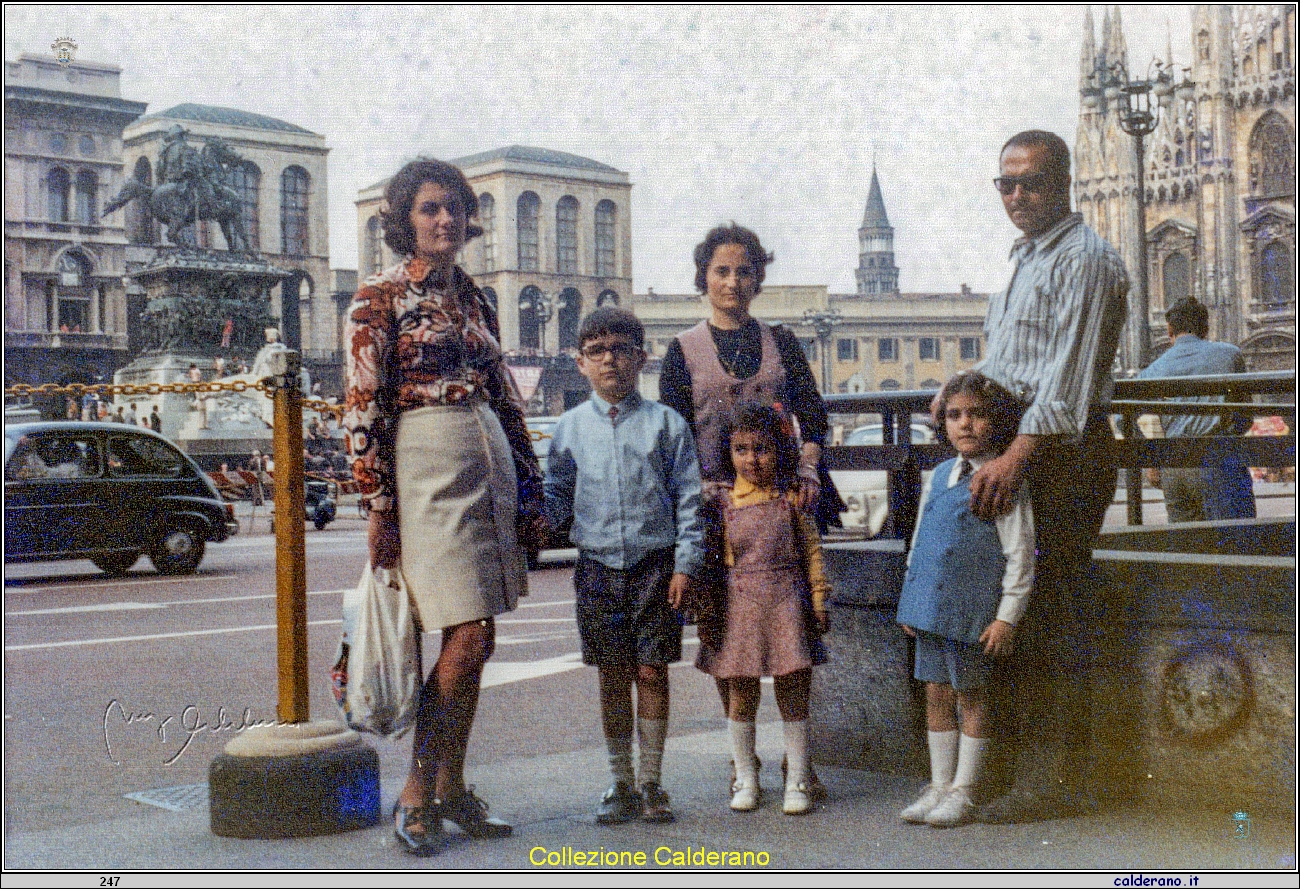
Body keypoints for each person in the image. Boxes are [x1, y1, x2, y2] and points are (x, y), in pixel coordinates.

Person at [343, 159, 538, 856]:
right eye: (430, 209)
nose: (445, 220)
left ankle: (452, 785)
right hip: (425, 470)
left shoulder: (478, 299)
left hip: (489, 465)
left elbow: (506, 392)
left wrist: (532, 482)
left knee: (479, 637)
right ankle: (418, 790)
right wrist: (377, 502)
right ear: (405, 220)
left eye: (454, 208)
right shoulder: (378, 298)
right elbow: (362, 401)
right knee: (465, 635)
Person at [969, 130, 1128, 824]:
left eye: (1030, 182)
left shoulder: (1088, 259)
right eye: (1005, 183)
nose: (1016, 196)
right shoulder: (1023, 259)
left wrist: (1011, 458)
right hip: (1017, 448)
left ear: (1065, 183)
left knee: (1053, 608)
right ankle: (1009, 768)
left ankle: (1057, 777)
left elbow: (1066, 381)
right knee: (1014, 610)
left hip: (1059, 455)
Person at [659, 223, 835, 800]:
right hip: (715, 511)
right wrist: (698, 495)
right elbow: (674, 435)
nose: (733, 282)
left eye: (744, 271)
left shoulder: (780, 342)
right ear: (703, 277)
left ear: (759, 277)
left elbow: (814, 414)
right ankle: (744, 762)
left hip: (780, 507)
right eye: (721, 271)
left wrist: (806, 472)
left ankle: (798, 764)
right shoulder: (683, 350)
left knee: (791, 641)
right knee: (727, 639)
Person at [544, 306, 703, 826]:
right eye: (597, 352)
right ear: (580, 362)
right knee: (612, 676)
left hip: (656, 565)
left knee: (652, 670)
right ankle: (621, 783)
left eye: (621, 350)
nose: (610, 361)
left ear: (641, 357)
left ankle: (653, 782)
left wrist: (686, 564)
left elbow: (688, 500)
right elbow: (556, 497)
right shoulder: (568, 429)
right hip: (597, 568)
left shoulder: (667, 424)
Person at [896, 372, 1034, 828]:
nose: (965, 424)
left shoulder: (1001, 479)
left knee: (971, 696)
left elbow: (1020, 554)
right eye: (954, 415)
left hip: (973, 613)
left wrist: (1007, 618)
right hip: (932, 610)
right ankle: (939, 784)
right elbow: (921, 539)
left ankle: (965, 790)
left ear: (996, 421)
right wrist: (911, 600)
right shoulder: (937, 475)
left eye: (976, 413)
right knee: (936, 694)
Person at [695, 401, 831, 816]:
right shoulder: (722, 503)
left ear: (780, 451)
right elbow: (710, 561)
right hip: (739, 606)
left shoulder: (791, 500)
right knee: (741, 690)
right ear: (728, 452)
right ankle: (745, 775)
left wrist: (820, 597)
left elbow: (811, 550)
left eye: (762, 449)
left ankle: (798, 777)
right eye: (741, 449)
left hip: (787, 602)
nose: (751, 459)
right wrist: (706, 609)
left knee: (793, 688)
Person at [1138, 296, 1256, 523]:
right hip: (1218, 460)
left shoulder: (1153, 370)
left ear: (1170, 330)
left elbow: (1127, 420)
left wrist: (1154, 460)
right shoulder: (1230, 355)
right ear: (1206, 328)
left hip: (1174, 468)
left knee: (1187, 546)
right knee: (1235, 542)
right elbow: (1245, 416)